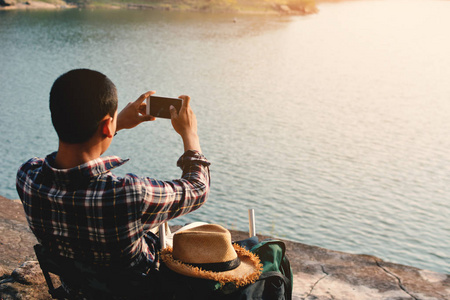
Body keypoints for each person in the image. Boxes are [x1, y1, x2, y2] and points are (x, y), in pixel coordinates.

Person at [16, 69, 210, 296]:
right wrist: (190, 135)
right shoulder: (128, 194)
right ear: (106, 125)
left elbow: (70, 162)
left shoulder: (27, 177)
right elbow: (198, 189)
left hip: (78, 291)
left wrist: (114, 125)